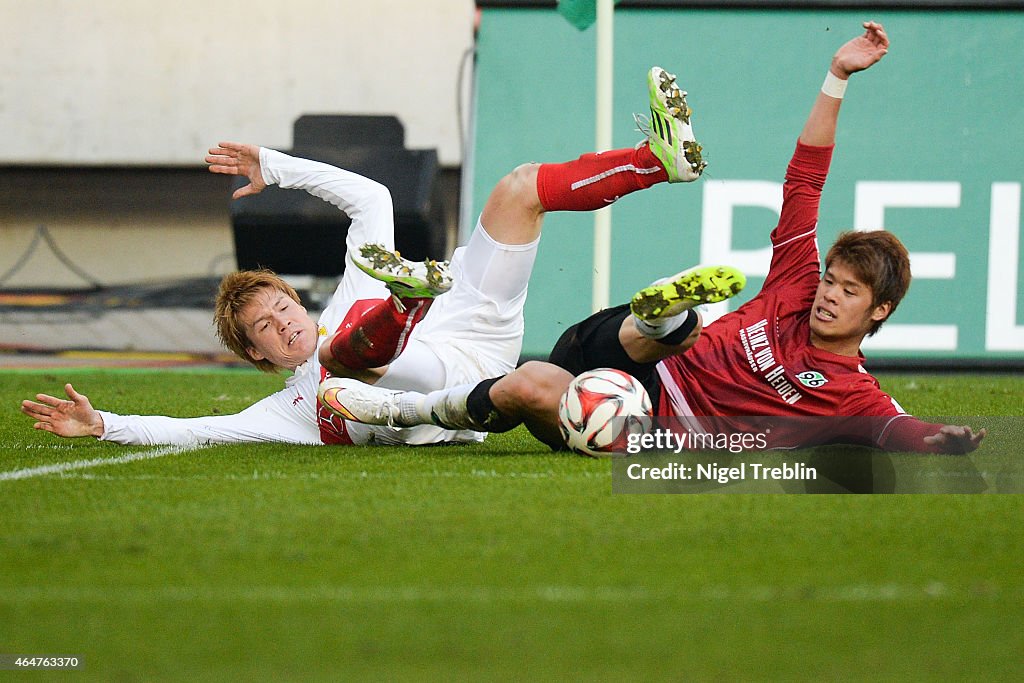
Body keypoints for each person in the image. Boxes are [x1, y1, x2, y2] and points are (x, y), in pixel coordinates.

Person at [323, 22, 987, 455]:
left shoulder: (850, 388)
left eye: (847, 292)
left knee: (526, 384)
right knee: (679, 326)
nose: (827, 295)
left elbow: (897, 427)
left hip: (652, 427)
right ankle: (668, 313)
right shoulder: (795, 282)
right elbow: (806, 177)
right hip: (627, 349)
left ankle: (402, 408)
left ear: (879, 311)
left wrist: (942, 438)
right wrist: (836, 76)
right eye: (831, 279)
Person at [20, 67, 741, 446]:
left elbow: (372, 200)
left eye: (280, 306)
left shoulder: (335, 309)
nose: (282, 323)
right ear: (262, 358)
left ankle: (656, 161)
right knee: (349, 364)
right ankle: (405, 304)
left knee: (519, 189)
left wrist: (277, 162)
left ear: (296, 300)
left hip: (468, 323)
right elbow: (194, 429)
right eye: (267, 330)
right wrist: (105, 423)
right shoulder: (289, 411)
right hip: (468, 389)